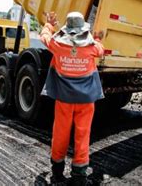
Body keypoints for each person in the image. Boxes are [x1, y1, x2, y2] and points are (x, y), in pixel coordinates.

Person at [40, 11, 104, 185]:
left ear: (67, 29)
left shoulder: (57, 45)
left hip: (64, 100)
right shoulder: (92, 48)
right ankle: (79, 176)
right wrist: (97, 38)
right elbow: (100, 49)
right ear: (83, 29)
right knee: (83, 135)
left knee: (60, 133)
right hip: (86, 101)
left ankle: (57, 170)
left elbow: (44, 36)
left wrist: (49, 24)